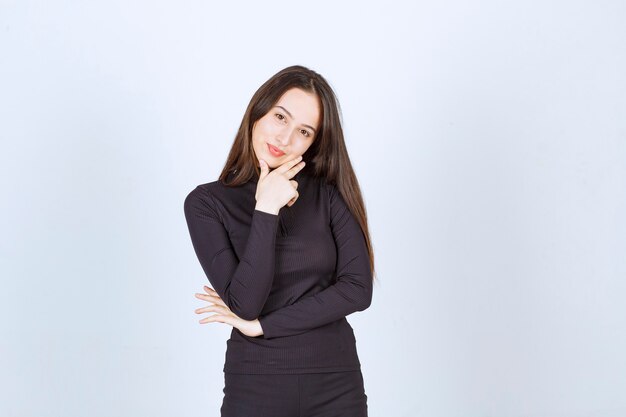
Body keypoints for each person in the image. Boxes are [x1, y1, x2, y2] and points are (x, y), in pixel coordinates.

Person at [183, 65, 376, 417]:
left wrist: (264, 327)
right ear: (258, 111)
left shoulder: (328, 195)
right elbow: (245, 303)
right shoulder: (206, 204)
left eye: (303, 131)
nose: (285, 138)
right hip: (256, 384)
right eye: (280, 117)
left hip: (335, 382)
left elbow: (358, 290)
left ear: (313, 142)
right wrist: (266, 208)